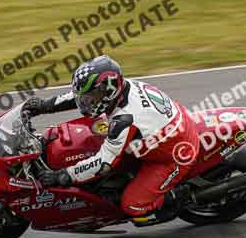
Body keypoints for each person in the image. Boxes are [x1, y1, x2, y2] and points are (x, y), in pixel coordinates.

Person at [21, 55, 198, 226]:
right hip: (161, 130)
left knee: (133, 205)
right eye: (86, 96)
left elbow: (104, 163)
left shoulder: (124, 119)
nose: (85, 102)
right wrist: (46, 106)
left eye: (91, 97)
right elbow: (80, 95)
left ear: (110, 91)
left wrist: (64, 175)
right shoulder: (119, 91)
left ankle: (176, 196)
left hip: (174, 154)